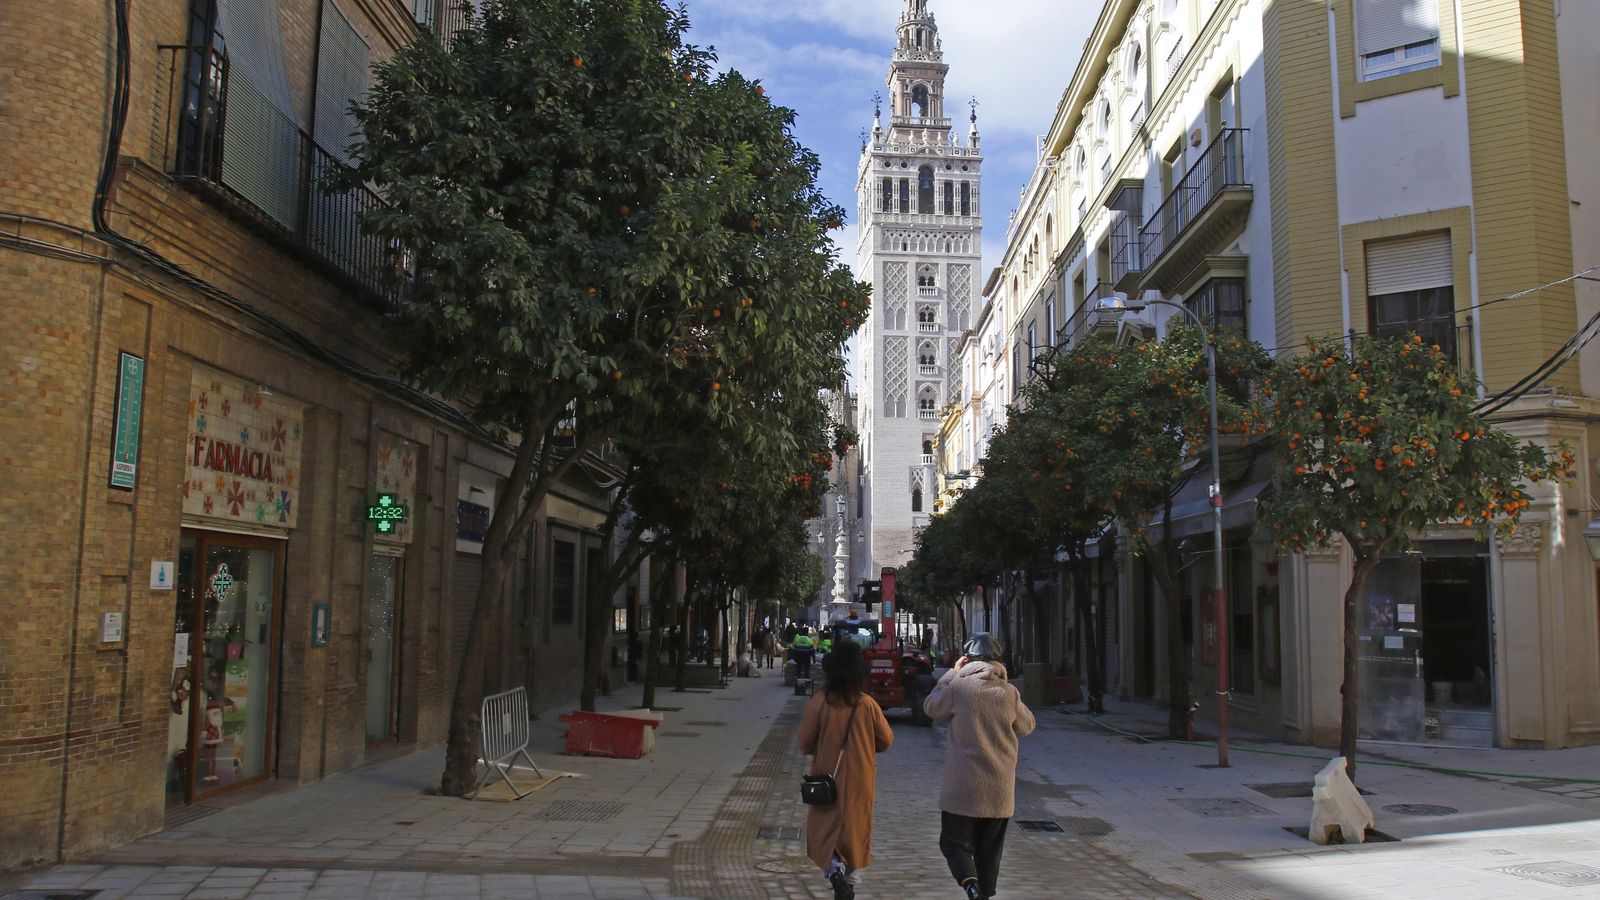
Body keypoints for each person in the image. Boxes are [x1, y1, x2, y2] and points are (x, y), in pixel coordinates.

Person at [922, 633, 1036, 900]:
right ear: (999, 661)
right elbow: (1027, 725)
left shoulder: (957, 689)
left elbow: (930, 707)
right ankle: (983, 894)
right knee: (989, 851)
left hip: (962, 789)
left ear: (966, 660)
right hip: (999, 790)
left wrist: (951, 674)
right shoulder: (1009, 693)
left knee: (953, 844)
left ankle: (970, 885)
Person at [797, 640, 893, 900]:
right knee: (856, 829)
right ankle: (849, 880)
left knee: (823, 829)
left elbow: (804, 741)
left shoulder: (820, 702)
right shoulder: (867, 705)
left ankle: (834, 872)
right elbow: (886, 739)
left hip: (826, 778)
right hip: (860, 779)